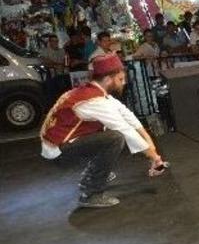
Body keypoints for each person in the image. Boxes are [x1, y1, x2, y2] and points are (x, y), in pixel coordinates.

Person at [39, 54, 167, 208]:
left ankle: (95, 174)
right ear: (107, 79)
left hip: (62, 144)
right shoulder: (96, 101)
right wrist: (155, 159)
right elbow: (126, 130)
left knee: (108, 131)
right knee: (114, 138)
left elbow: (129, 117)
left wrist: (152, 149)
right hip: (58, 152)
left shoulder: (94, 92)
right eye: (120, 79)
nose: (124, 82)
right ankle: (90, 193)